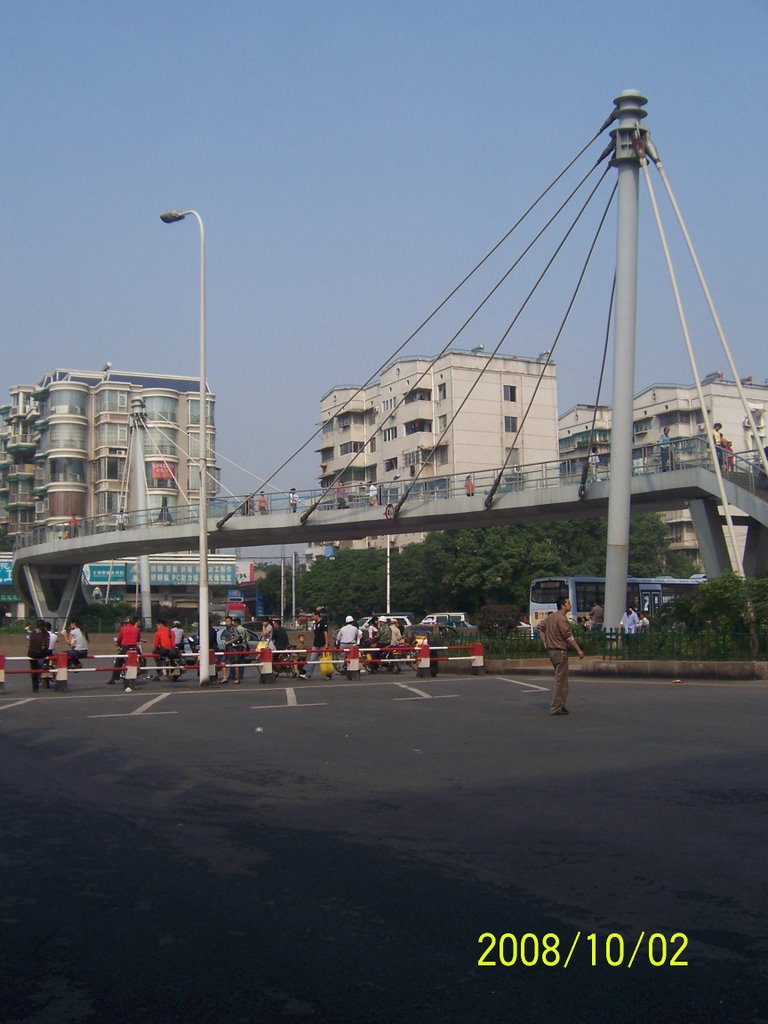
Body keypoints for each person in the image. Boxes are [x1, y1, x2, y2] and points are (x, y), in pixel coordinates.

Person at [538, 597, 584, 716]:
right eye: (568, 603)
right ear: (563, 606)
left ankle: (561, 704)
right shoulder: (561, 619)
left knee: (563, 681)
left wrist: (545, 642)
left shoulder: (551, 617)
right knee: (560, 681)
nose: (570, 605)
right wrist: (578, 650)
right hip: (560, 651)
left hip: (552, 651)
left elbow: (540, 627)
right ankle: (555, 707)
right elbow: (568, 636)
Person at [110, 616, 142, 690]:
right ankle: (143, 670)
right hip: (134, 648)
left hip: (125, 648)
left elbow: (119, 639)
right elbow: (138, 639)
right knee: (140, 659)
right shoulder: (136, 629)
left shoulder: (123, 629)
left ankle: (115, 677)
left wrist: (117, 644)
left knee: (118, 661)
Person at [220, 615, 247, 684]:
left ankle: (237, 678)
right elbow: (222, 637)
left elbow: (237, 637)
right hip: (227, 648)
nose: (227, 623)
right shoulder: (226, 630)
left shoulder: (233, 629)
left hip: (233, 648)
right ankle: (225, 677)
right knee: (223, 662)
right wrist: (224, 641)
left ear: (231, 622)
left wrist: (229, 642)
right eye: (226, 621)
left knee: (235, 663)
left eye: (228, 621)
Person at [303, 608, 328, 679]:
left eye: (313, 616)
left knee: (325, 661)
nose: (312, 617)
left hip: (323, 644)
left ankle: (327, 674)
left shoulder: (323, 622)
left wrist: (326, 643)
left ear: (317, 615)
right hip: (316, 644)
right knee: (312, 660)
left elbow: (325, 633)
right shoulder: (314, 624)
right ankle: (308, 675)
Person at [27, 619, 50, 693]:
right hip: (40, 654)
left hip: (31, 653)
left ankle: (35, 688)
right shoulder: (46, 634)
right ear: (43, 626)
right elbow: (46, 646)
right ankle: (45, 666)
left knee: (34, 671)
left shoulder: (33, 632)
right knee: (48, 657)